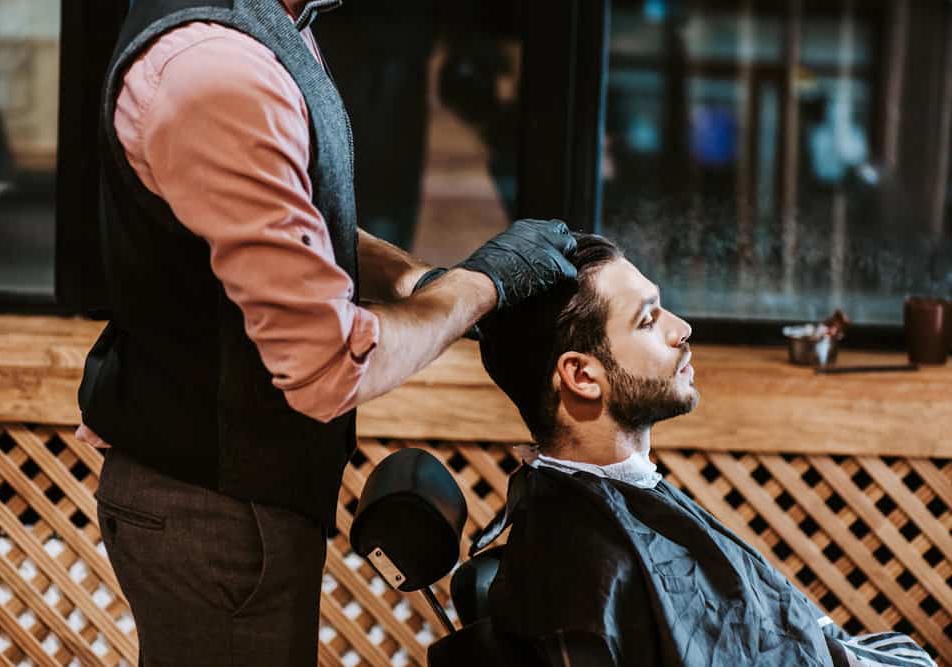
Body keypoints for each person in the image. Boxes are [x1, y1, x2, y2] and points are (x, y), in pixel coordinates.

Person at [76, 0, 576, 664]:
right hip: (213, 509)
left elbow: (291, 221)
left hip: (246, 491)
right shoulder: (217, 71)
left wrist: (416, 283)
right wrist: (485, 284)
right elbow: (326, 366)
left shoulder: (282, 20)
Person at [474, 233, 936, 667]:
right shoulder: (586, 570)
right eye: (648, 320)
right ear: (582, 376)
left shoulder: (598, 508)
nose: (682, 329)